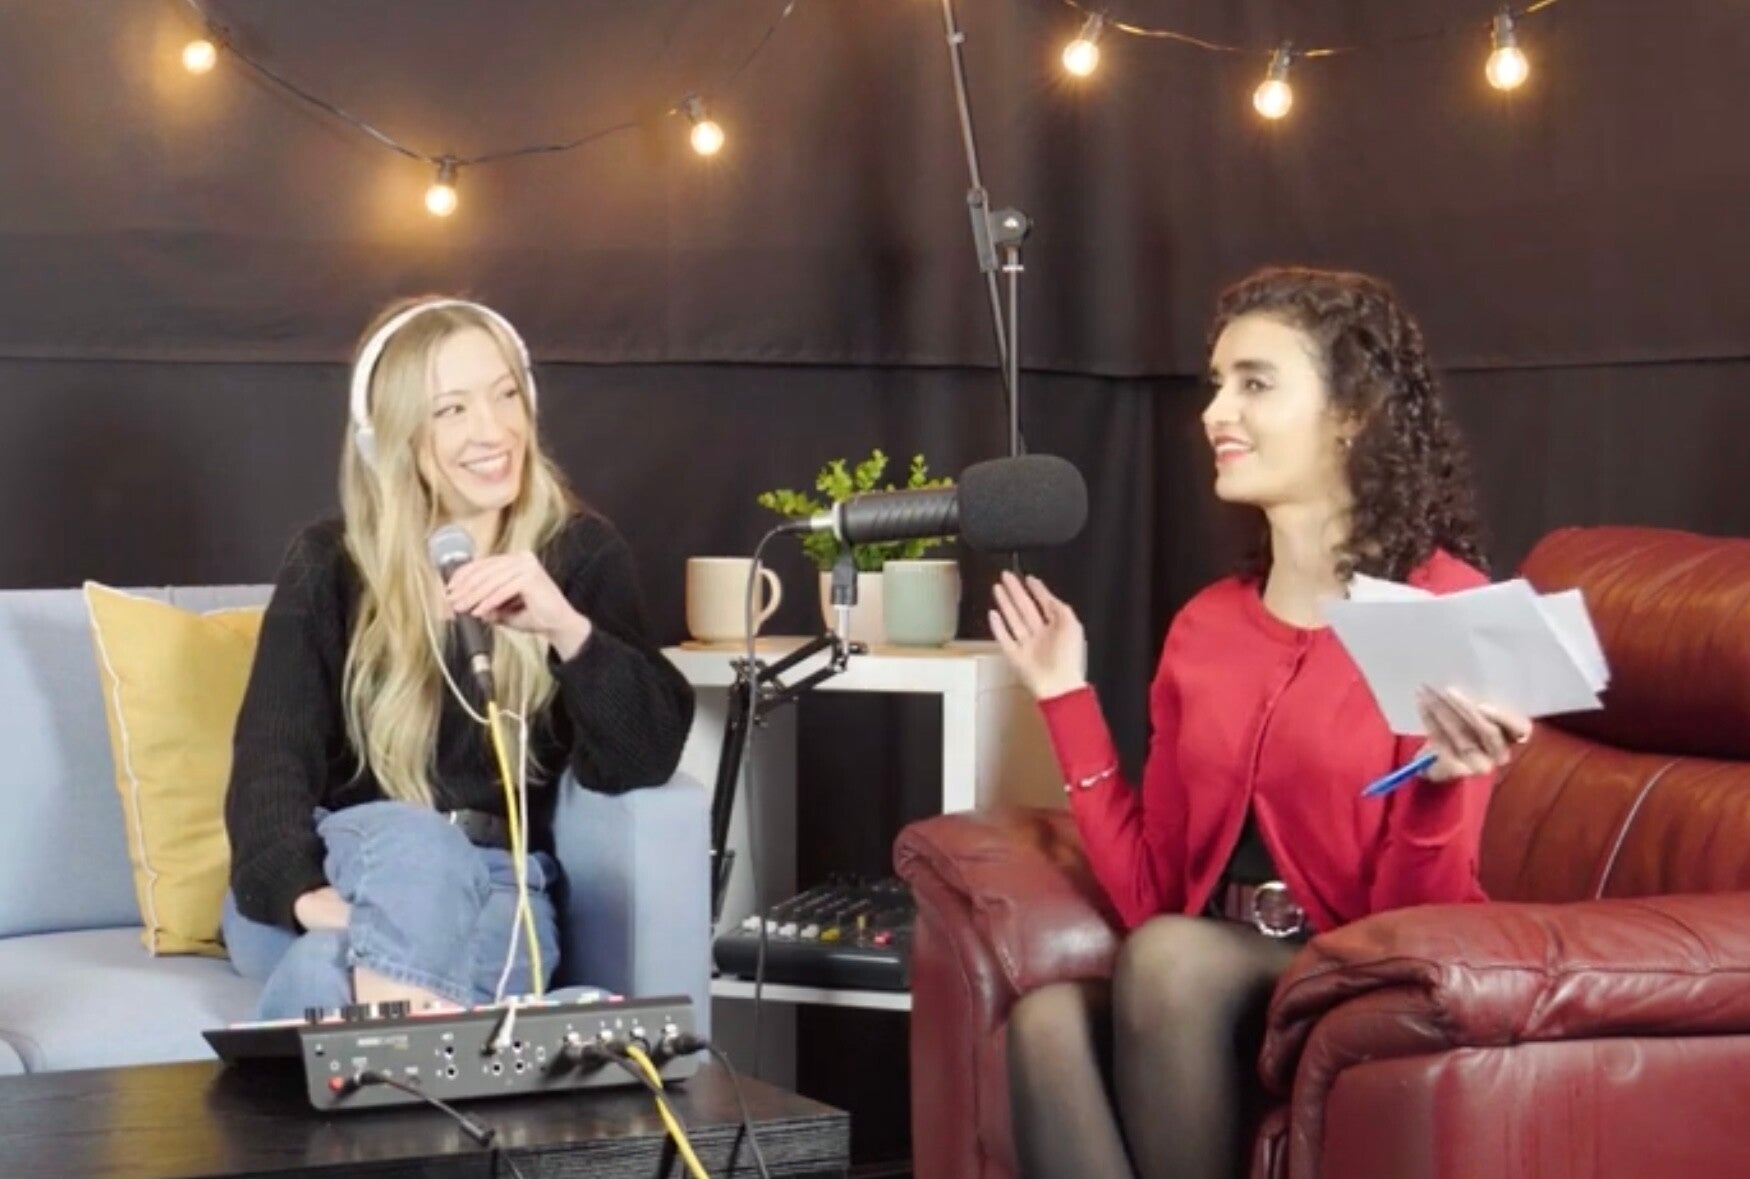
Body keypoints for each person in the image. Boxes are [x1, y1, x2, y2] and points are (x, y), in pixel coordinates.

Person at [990, 266, 1531, 1179]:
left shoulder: (1446, 612)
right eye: (1216, 385)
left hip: (1361, 980)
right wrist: (1062, 693)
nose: (1216, 413)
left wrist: (1442, 790)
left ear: (1352, 413)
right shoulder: (1205, 629)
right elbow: (1155, 897)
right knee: (1045, 1024)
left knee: (1171, 961)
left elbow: (1416, 924)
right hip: (1201, 974)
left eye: (1255, 383)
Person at [220, 296, 694, 1020]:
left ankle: (326, 1077)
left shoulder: (579, 555)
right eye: (452, 410)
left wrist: (566, 629)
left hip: (497, 889)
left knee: (323, 973)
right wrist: (315, 903)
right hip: (336, 876)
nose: (493, 430)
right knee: (415, 847)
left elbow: (644, 758)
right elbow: (269, 762)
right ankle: (553, 1033)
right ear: (394, 439)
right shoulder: (329, 562)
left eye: (506, 395)